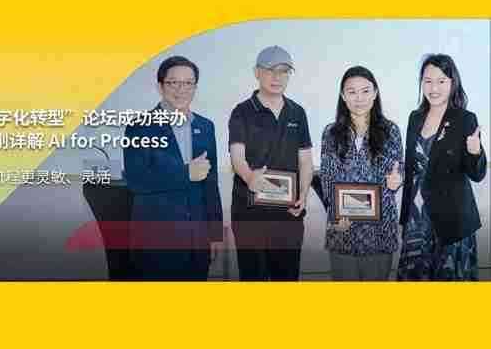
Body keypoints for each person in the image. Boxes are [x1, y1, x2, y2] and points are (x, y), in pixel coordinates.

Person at [123, 55, 223, 280]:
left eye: (188, 83)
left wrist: (216, 234)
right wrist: (186, 173)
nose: (181, 89)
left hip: (198, 242)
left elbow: (211, 183)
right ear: (160, 86)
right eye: (173, 83)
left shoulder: (205, 126)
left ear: (195, 87)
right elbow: (137, 180)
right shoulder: (139, 127)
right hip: (156, 242)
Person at [397, 54, 486, 281]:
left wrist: (475, 151)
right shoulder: (415, 118)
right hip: (417, 219)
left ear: (452, 83)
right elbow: (412, 168)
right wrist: (404, 216)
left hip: (452, 219)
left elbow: (477, 174)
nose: (433, 88)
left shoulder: (465, 119)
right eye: (427, 81)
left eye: (441, 81)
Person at [228, 45, 313, 280]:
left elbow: (306, 160)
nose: (277, 77)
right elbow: (237, 157)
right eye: (270, 70)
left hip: (288, 215)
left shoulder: (297, 112)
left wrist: (303, 194)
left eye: (284, 71)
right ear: (257, 73)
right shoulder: (241, 112)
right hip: (249, 214)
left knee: (286, 278)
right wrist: (249, 177)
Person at [320, 66, 403, 280]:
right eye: (352, 92)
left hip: (379, 233)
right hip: (342, 229)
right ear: (343, 96)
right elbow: (327, 179)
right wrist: (336, 216)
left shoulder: (390, 131)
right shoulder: (331, 133)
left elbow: (398, 170)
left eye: (365, 91)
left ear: (375, 93)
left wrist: (397, 180)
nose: (359, 98)